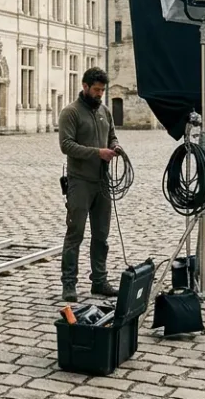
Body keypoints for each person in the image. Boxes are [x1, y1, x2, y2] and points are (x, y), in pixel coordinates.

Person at [57, 67, 121, 303]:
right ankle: (69, 284)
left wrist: (115, 146)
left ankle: (100, 281)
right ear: (84, 87)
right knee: (75, 233)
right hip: (80, 182)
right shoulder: (70, 113)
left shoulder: (105, 111)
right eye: (96, 89)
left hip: (103, 183)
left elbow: (112, 135)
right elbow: (66, 145)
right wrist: (98, 153)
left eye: (103, 90)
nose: (100, 94)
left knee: (101, 235)